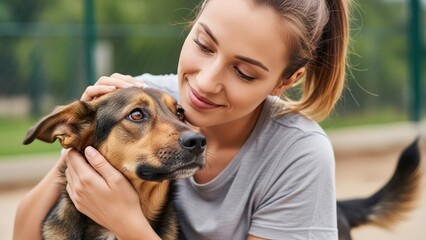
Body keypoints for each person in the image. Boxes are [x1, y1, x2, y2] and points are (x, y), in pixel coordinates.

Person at [14, 0, 349, 239]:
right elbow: (24, 235)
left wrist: (126, 224)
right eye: (204, 45)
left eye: (244, 72)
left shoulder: (298, 154)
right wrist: (83, 138)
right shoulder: (150, 94)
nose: (205, 82)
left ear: (285, 81)